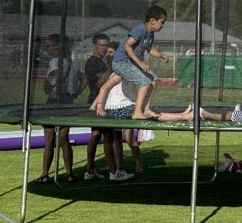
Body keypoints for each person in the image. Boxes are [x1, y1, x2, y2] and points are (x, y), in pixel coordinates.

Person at [100, 80, 192, 180]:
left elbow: (146, 83)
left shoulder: (127, 72)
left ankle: (137, 166)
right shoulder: (118, 72)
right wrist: (99, 106)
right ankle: (117, 170)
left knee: (128, 138)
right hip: (117, 109)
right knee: (119, 138)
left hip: (125, 107)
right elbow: (104, 88)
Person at [93, 5, 169, 120]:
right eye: (162, 22)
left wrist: (160, 54)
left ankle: (146, 109)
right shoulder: (141, 29)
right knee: (145, 82)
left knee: (154, 80)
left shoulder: (150, 33)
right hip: (121, 63)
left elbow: (149, 49)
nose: (163, 25)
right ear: (153, 21)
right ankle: (137, 112)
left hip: (131, 64)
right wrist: (140, 62)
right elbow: (127, 46)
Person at [36, 34, 82, 184]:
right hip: (68, 100)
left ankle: (45, 174)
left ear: (58, 47)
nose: (47, 49)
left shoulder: (55, 61)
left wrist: (53, 86)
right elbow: (83, 78)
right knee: (64, 139)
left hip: (55, 100)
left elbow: (54, 76)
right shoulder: (73, 63)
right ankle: (69, 173)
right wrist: (76, 92)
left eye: (49, 46)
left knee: (49, 139)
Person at [83, 33, 111, 181]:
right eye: (102, 45)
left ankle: (92, 169)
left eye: (106, 45)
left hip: (101, 101)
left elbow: (85, 81)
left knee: (102, 135)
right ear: (94, 46)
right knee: (97, 135)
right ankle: (91, 169)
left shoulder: (100, 62)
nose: (104, 48)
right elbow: (101, 82)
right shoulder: (93, 62)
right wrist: (113, 67)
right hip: (96, 102)